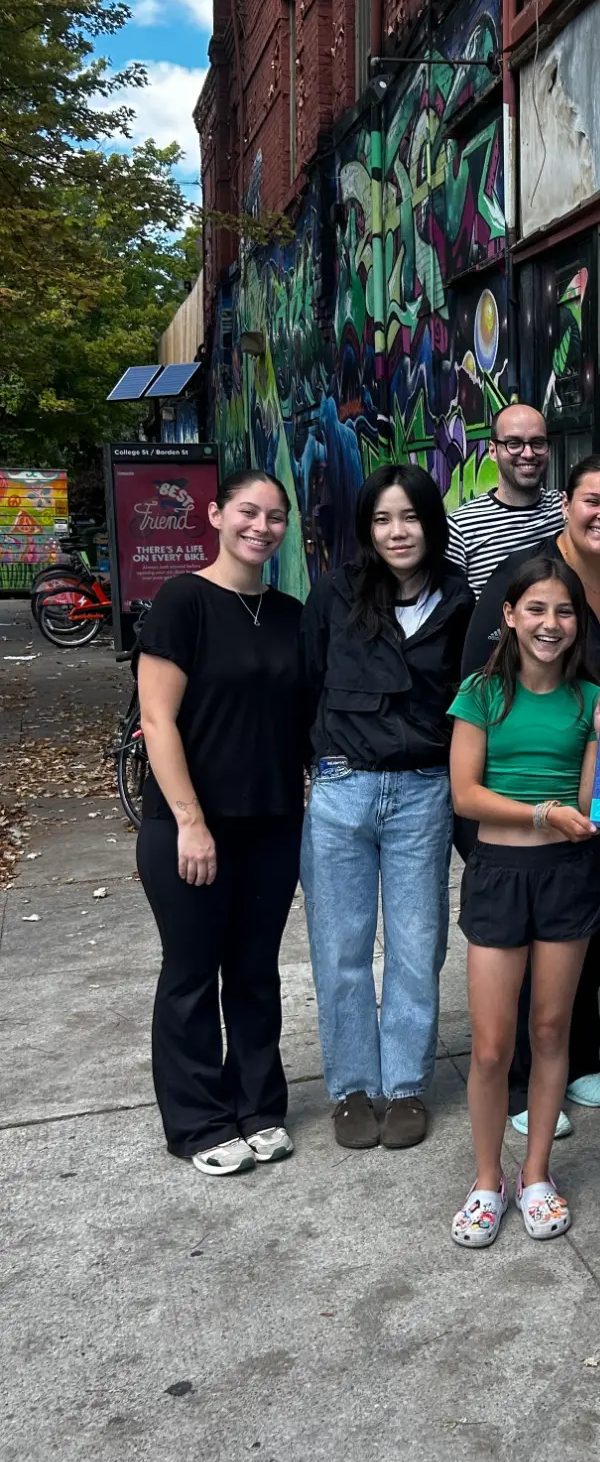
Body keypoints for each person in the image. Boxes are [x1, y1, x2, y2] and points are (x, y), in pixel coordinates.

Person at [462, 455, 600, 1081]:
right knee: (517, 948)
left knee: (583, 926)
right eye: (593, 502)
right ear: (566, 506)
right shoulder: (522, 580)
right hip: (521, 801)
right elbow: (481, 682)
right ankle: (523, 1080)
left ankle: (577, 1060)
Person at [135, 471, 305, 1175]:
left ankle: (258, 1104)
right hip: (192, 825)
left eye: (274, 516)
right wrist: (189, 822)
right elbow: (156, 720)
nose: (260, 526)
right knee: (191, 973)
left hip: (273, 822)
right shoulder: (184, 601)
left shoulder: (294, 613)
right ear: (215, 515)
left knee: (255, 972)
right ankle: (199, 1120)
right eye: (247, 512)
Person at [300, 464, 474, 1150]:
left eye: (409, 517)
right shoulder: (336, 595)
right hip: (342, 787)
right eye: (382, 519)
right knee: (340, 947)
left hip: (424, 790)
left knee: (415, 945)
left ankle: (404, 1084)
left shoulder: (460, 601)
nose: (397, 531)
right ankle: (351, 1087)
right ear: (366, 529)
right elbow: (305, 684)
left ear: (431, 524)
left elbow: (471, 700)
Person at [448, 555, 600, 1245]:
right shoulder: (481, 693)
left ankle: (537, 1172)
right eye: (536, 610)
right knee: (489, 1047)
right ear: (509, 616)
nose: (551, 624)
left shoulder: (595, 702)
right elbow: (467, 795)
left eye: (565, 612)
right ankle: (488, 1180)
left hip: (567, 879)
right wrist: (543, 814)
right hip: (498, 875)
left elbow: (595, 800)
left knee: (550, 1031)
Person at [447, 403, 564, 596]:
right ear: (493, 451)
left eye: (538, 443)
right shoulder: (461, 529)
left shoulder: (564, 510)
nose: (528, 454)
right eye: (514, 444)